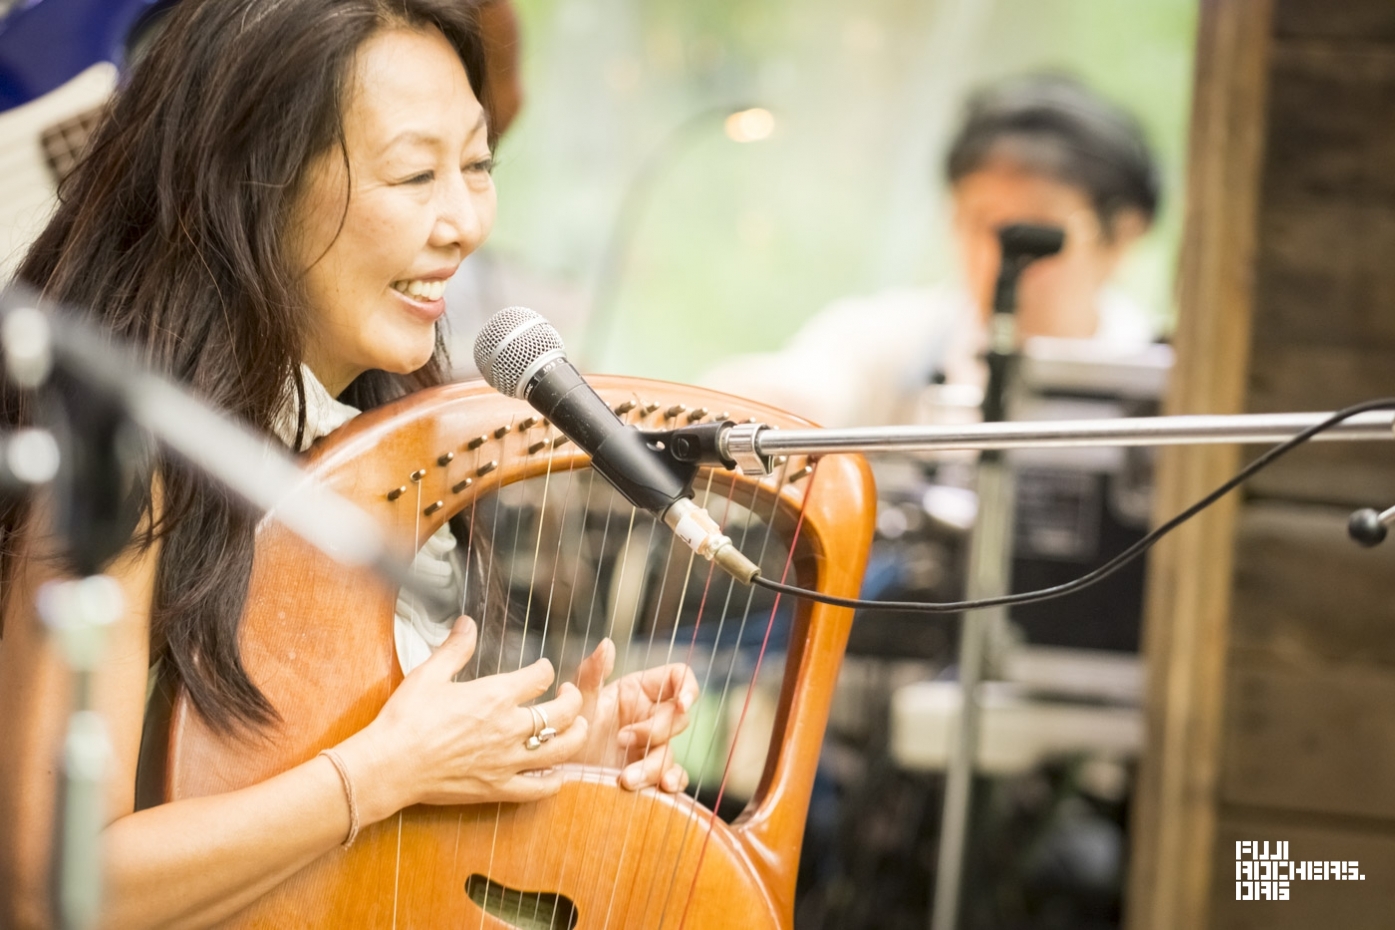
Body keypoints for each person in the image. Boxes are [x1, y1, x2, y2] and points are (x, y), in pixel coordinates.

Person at [0, 1, 696, 926]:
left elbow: (331, 830)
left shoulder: (375, 437)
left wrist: (554, 765)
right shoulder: (128, 458)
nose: (464, 222)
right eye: (415, 174)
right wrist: (386, 768)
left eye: (479, 166)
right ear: (255, 183)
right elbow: (49, 888)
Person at [702, 74, 1162, 428]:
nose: (1002, 258)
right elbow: (809, 384)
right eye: (982, 225)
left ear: (1121, 237)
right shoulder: (897, 346)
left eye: (1036, 234)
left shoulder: (1160, 387)